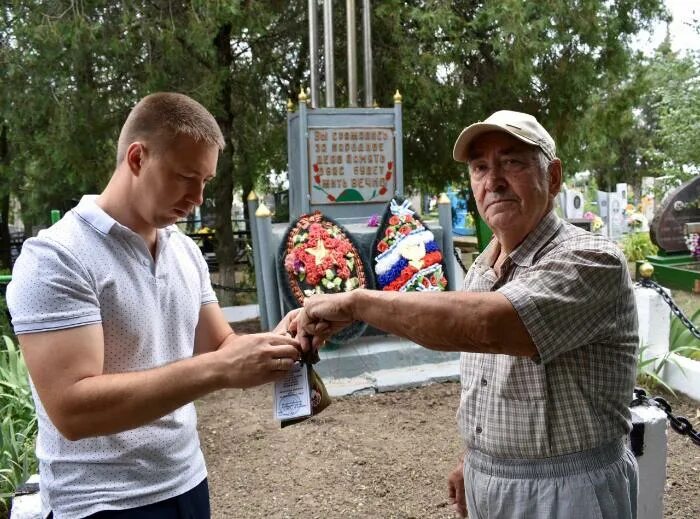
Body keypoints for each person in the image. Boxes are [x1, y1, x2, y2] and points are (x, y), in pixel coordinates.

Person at [296, 110, 639, 518]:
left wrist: (356, 303)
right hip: (489, 480)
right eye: (480, 168)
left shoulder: (591, 259)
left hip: (569, 492)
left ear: (552, 177)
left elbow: (489, 325)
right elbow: (488, 382)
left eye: (511, 162)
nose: (493, 180)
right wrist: (475, 461)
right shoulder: (482, 268)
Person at [6, 92, 302, 519]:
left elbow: (221, 347)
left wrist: (284, 341)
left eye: (206, 181)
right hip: (99, 502)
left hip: (188, 482)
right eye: (185, 176)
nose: (198, 197)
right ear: (137, 157)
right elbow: (73, 409)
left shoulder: (184, 251)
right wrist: (220, 370)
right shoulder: (56, 257)